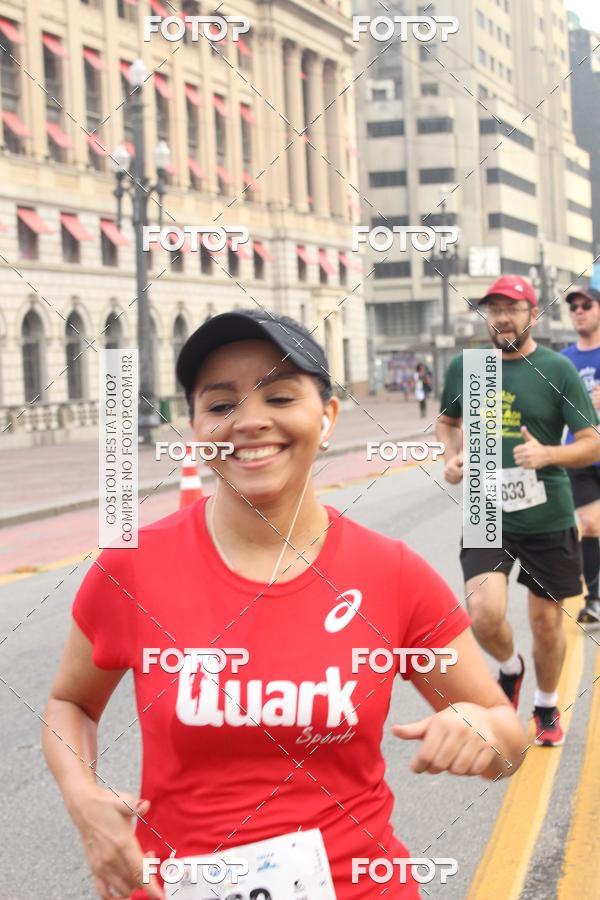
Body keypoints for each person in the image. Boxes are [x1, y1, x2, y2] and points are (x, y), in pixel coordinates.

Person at [43, 309, 525, 900]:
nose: (249, 422)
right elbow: (71, 703)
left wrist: (483, 729)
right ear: (194, 426)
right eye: (220, 406)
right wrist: (81, 796)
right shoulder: (131, 566)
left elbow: (509, 739)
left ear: (326, 417)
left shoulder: (392, 573)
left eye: (279, 397)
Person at [437, 275, 600, 747]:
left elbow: (591, 444)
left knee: (546, 624)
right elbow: (447, 422)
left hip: (547, 513)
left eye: (512, 308)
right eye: (493, 309)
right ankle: (510, 669)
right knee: (484, 614)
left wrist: (548, 455)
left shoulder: (556, 368)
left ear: (534, 313)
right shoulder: (471, 368)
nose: (502, 317)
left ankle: (546, 704)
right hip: (487, 509)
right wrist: (451, 455)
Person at [561, 286, 600, 625]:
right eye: (573, 306)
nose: (579, 310)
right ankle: (595, 599)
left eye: (586, 305)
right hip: (581, 455)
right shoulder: (564, 361)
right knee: (589, 524)